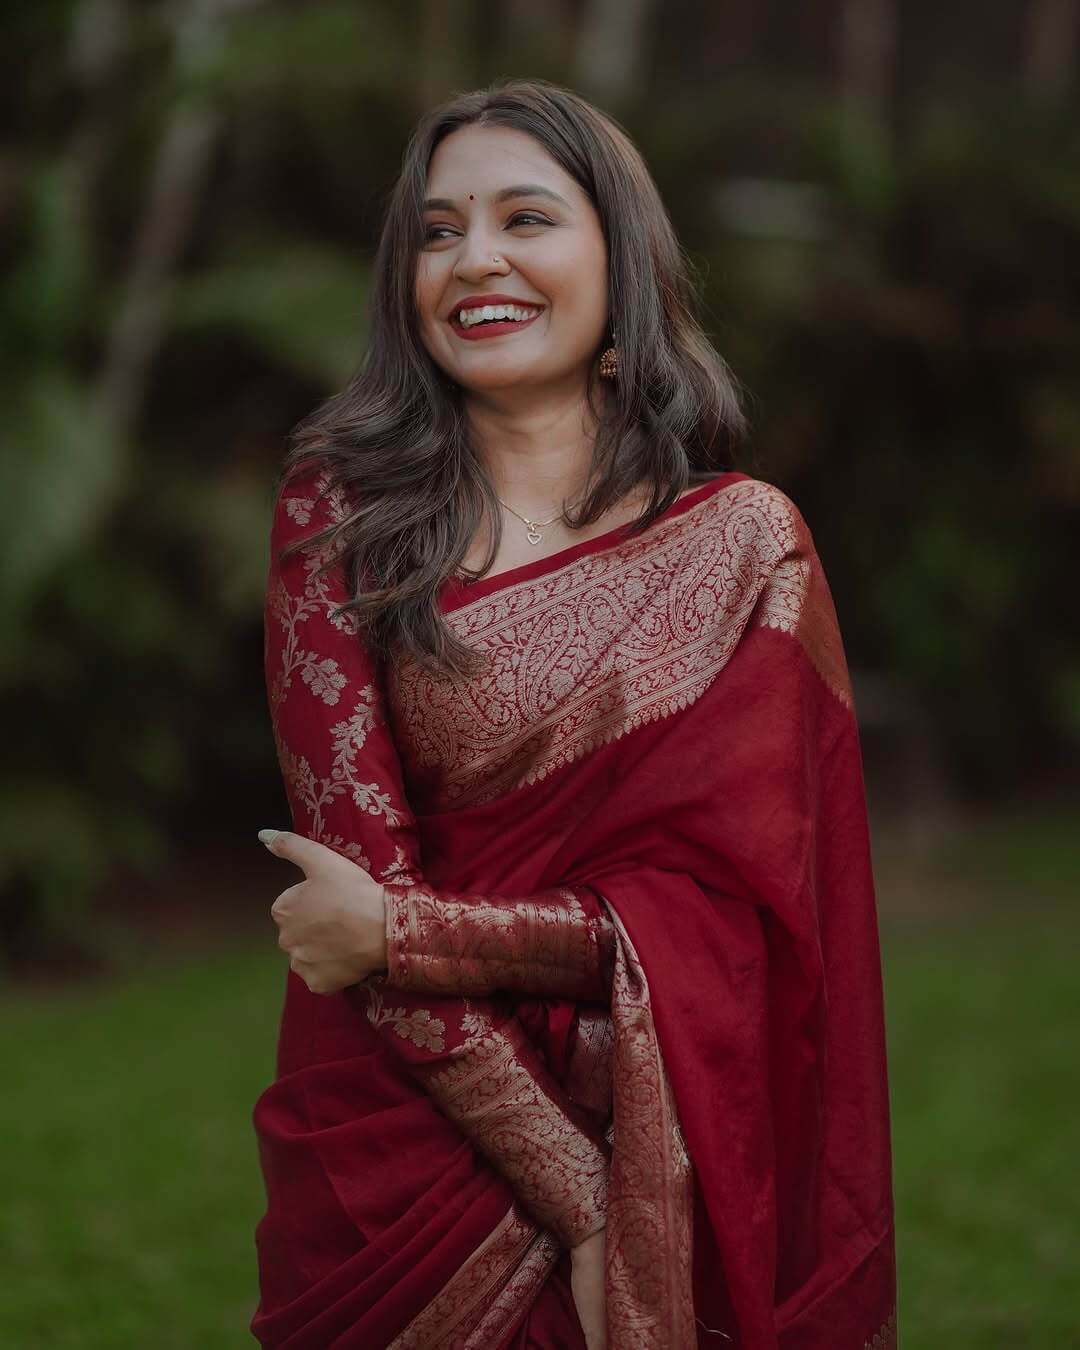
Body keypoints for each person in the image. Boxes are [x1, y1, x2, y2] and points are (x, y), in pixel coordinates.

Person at [251, 78, 896, 1350]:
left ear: (620, 257)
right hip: (405, 1141)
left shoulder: (740, 547)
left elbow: (734, 929)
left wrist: (403, 931)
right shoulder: (343, 517)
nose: (475, 258)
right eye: (437, 232)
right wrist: (590, 1208)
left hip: (683, 1117)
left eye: (524, 218)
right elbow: (349, 890)